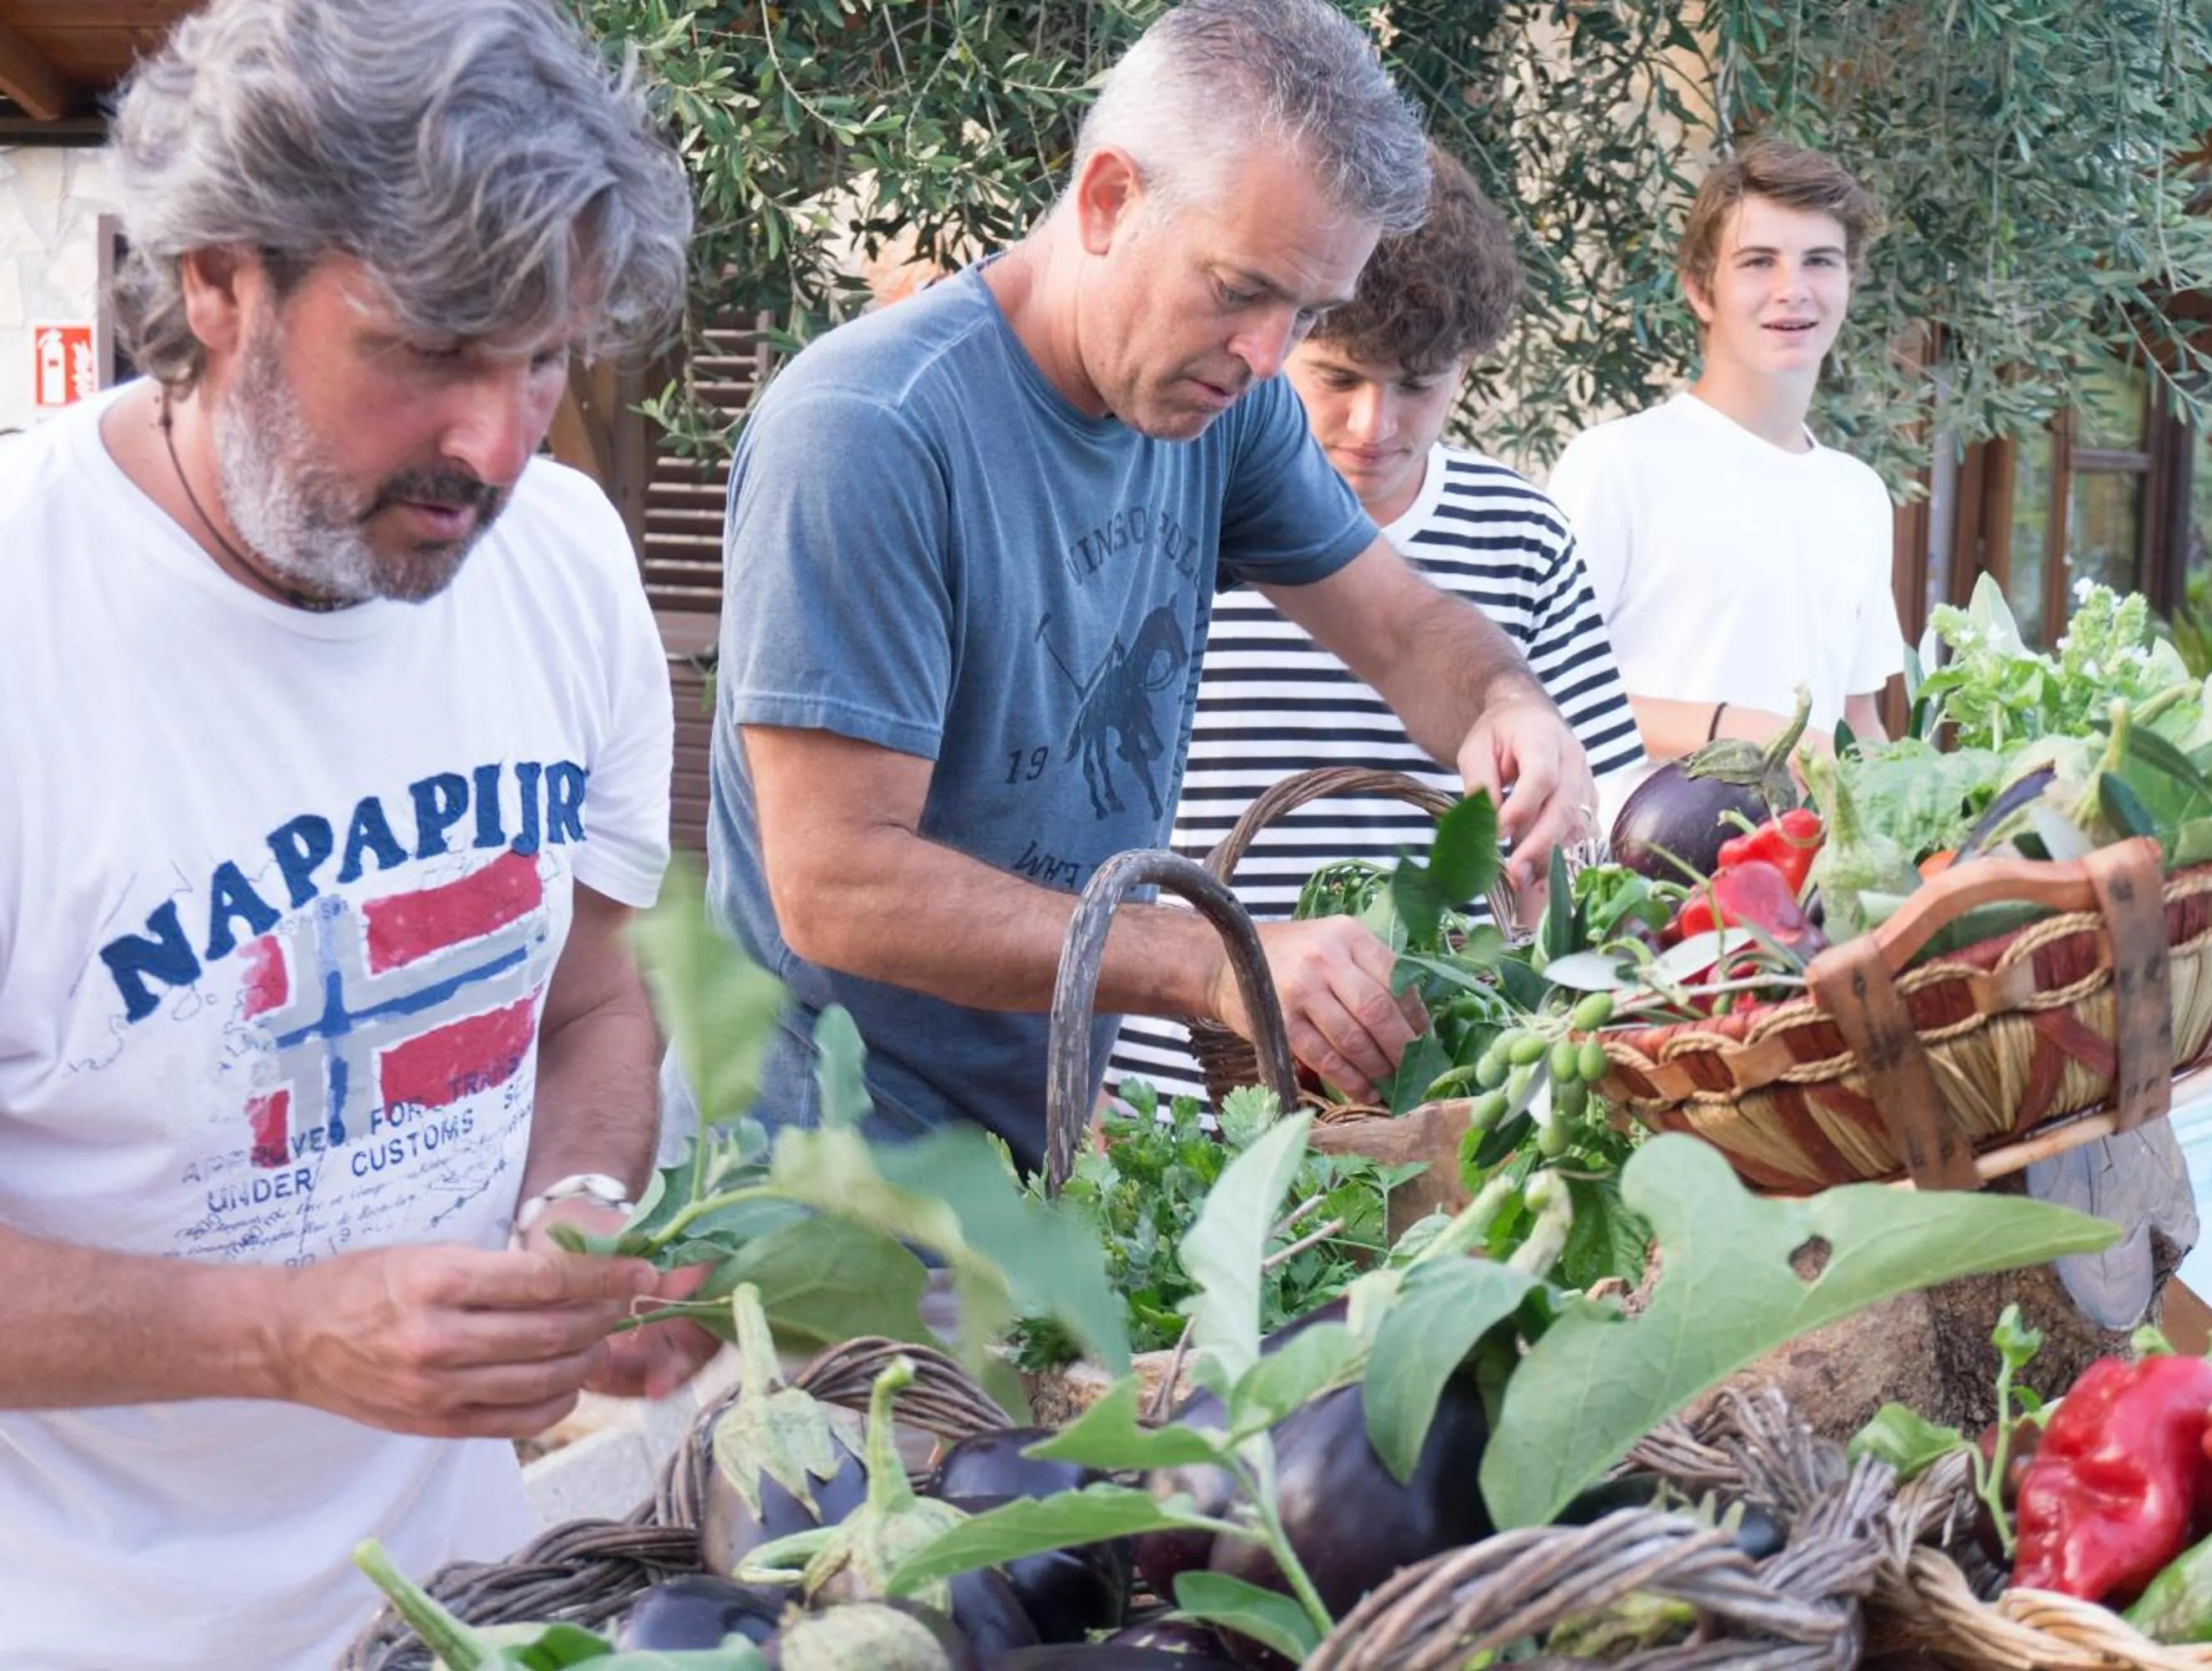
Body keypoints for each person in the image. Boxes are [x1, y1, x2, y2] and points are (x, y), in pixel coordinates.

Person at [0, 2, 708, 1664]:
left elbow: (594, 1002)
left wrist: (583, 1201)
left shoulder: (568, 566)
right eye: (430, 348)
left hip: (469, 1605)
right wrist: (278, 1336)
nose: (499, 445)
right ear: (219, 282)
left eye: (545, 357)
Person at [702, 0, 1596, 1174]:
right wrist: (1212, 959)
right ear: (1109, 199)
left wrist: (1506, 705)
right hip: (821, 1175)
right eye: (1239, 288)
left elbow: (1400, 625)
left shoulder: (1225, 410)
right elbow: (837, 886)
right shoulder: (871, 430)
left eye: (1306, 312)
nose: (1269, 354)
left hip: (1032, 1156)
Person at [1109, 145, 1645, 1101]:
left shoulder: (1521, 534)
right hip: (1172, 1081)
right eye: (1339, 378)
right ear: (1278, 342)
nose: (1373, 425)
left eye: (1418, 384)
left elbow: (1592, 820)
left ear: (1469, 366)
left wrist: (1557, 846)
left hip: (1430, 1081)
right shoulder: (1171, 512)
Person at [1548, 139, 1903, 762]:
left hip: (1808, 833)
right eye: (1758, 262)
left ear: (1849, 282)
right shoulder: (1616, 465)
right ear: (1700, 290)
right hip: (1641, 829)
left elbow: (1857, 722)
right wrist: (1745, 731)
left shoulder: (1860, 494)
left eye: (1820, 261)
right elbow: (1548, 694)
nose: (1793, 289)